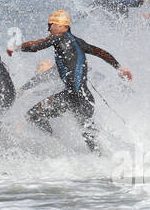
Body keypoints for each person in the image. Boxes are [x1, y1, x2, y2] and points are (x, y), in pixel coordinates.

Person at [10, 10, 132, 152]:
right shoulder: (79, 42)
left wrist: (15, 47)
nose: (48, 28)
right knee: (89, 137)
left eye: (50, 24)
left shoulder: (59, 37)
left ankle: (58, 146)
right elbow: (101, 52)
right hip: (86, 97)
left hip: (72, 96)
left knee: (33, 115)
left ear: (61, 26)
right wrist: (119, 67)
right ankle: (104, 160)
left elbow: (35, 46)